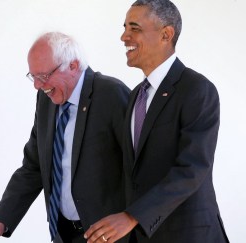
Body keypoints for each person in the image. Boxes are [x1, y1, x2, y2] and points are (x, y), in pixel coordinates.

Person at [84, 1, 229, 243]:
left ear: (166, 34)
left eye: (135, 28)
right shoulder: (135, 96)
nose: (124, 36)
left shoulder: (197, 89)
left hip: (189, 235)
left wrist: (132, 217)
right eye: (124, 27)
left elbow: (192, 169)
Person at [0, 32, 130, 243]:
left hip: (108, 237)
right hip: (63, 234)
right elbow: (33, 166)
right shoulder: (46, 99)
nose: (37, 85)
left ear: (73, 66)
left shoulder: (112, 94)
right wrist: (2, 219)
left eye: (43, 76)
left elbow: (141, 167)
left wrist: (133, 219)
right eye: (33, 77)